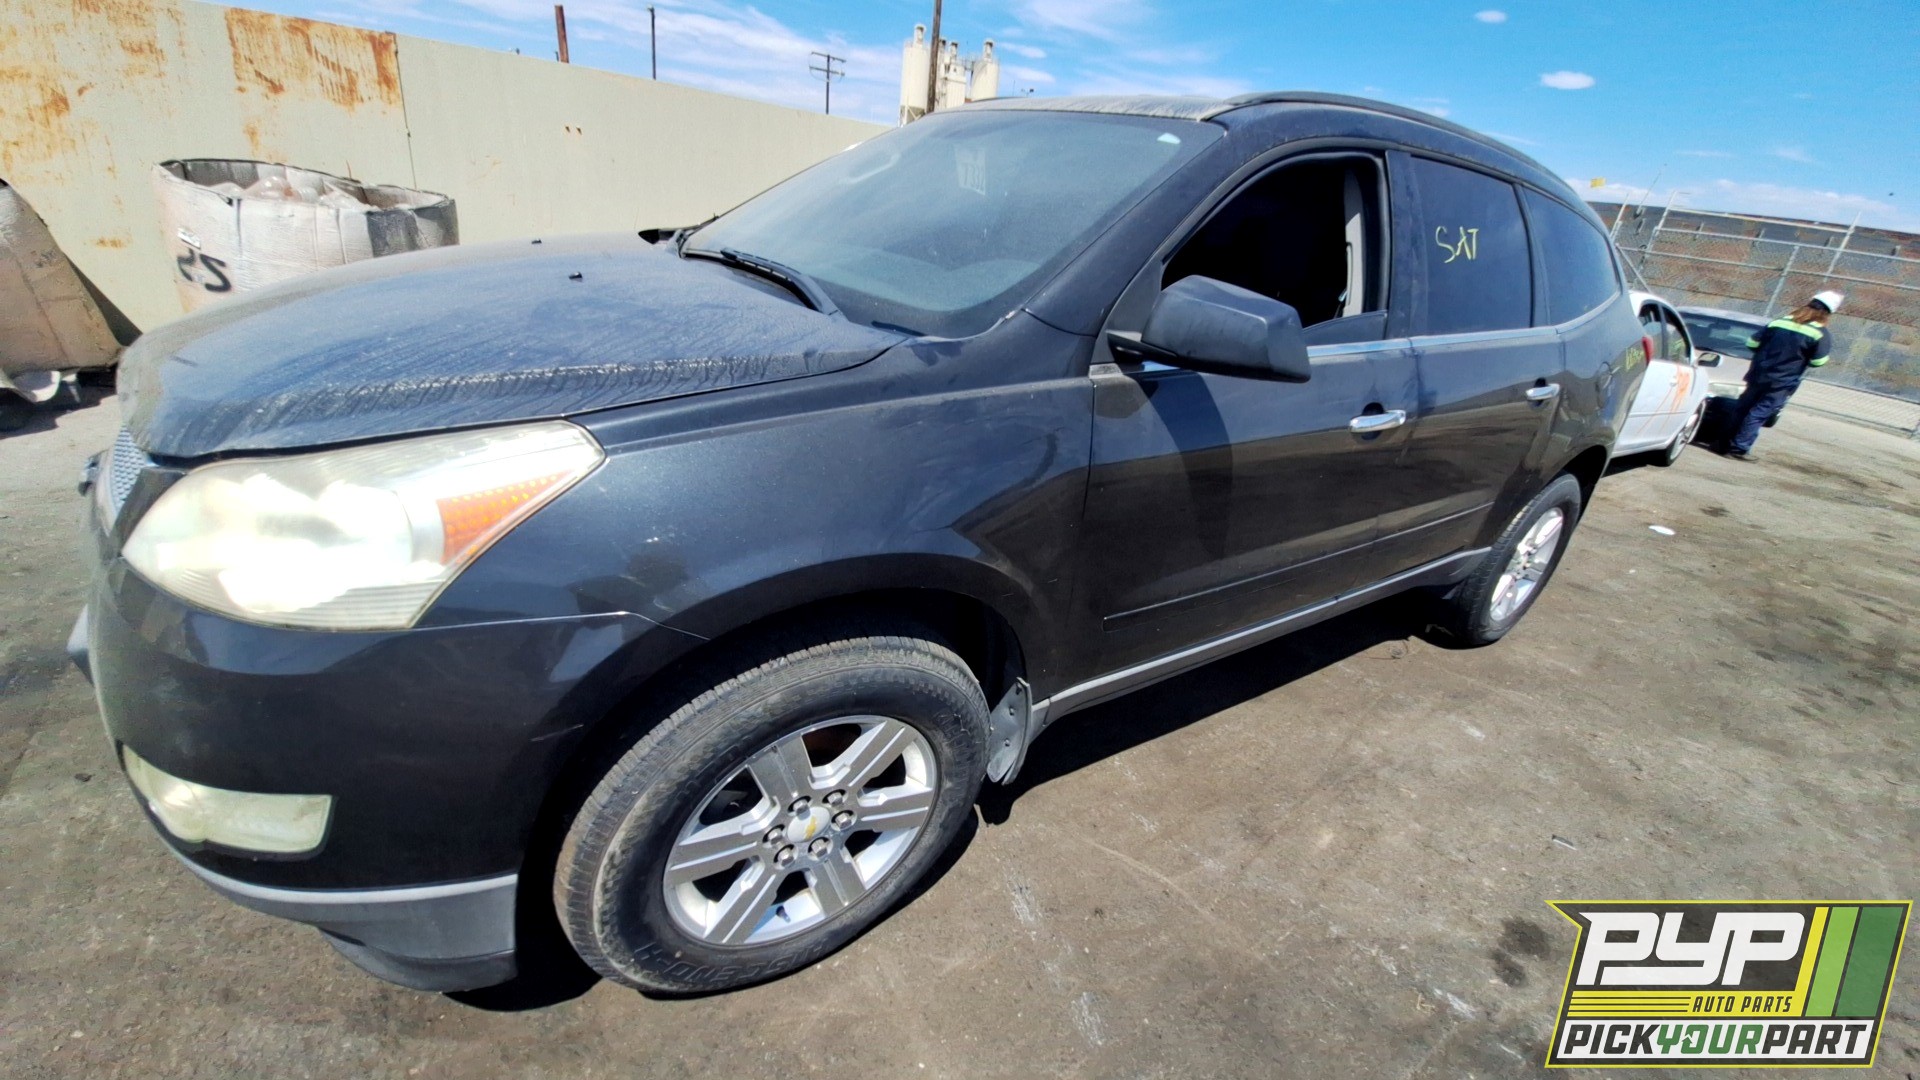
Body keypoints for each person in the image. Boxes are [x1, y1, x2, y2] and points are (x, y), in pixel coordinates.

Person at [1720, 290, 1843, 460]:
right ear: (1827, 313)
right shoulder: (1819, 332)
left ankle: (1721, 444)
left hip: (1758, 373)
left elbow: (1751, 342)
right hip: (1782, 381)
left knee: (1742, 408)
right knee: (1759, 413)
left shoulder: (1779, 322)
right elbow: (1818, 362)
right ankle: (1738, 448)